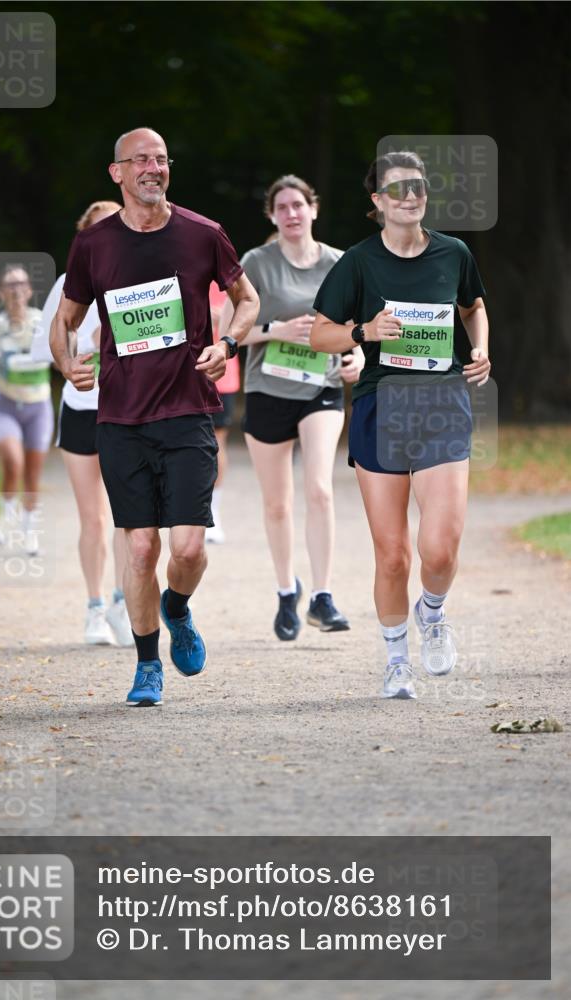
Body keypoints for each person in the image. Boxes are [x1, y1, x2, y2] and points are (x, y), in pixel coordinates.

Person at [50, 127, 259, 707]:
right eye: (140, 159)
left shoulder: (203, 234)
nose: (152, 167)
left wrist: (229, 344)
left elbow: (248, 299)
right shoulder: (94, 244)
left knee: (188, 550)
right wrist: (68, 366)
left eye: (161, 158)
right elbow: (65, 320)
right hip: (120, 418)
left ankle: (178, 608)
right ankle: (146, 666)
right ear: (116, 172)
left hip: (189, 410)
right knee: (140, 548)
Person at [311, 151, 490, 699]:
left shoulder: (453, 253)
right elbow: (321, 335)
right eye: (398, 188)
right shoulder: (359, 263)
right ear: (378, 201)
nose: (410, 195)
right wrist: (364, 331)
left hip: (441, 404)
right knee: (392, 554)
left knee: (440, 548)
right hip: (379, 408)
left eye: (418, 186)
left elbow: (473, 306)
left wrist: (481, 348)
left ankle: (431, 612)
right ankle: (395, 659)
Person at [226, 174, 363, 641]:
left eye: (298, 206)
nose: (290, 214)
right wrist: (275, 330)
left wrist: (357, 356)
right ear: (272, 216)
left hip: (320, 388)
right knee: (278, 503)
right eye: (281, 207)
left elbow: (360, 325)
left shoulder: (340, 263)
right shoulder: (256, 263)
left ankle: (323, 597)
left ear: (313, 210)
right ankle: (287, 590)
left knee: (321, 489)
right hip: (268, 389)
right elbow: (229, 329)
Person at [32, 199, 134, 646]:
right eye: (96, 229)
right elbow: (47, 344)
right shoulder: (67, 284)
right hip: (80, 409)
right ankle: (94, 608)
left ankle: (122, 602)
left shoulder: (142, 281)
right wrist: (70, 363)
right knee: (92, 518)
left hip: (129, 410)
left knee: (131, 519)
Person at [0, 266, 53, 556]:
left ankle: (29, 533)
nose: (16, 290)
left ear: (29, 290)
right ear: (1, 293)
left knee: (32, 474)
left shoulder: (43, 323)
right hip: (6, 405)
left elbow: (60, 353)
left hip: (39, 406)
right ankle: (6, 518)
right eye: (10, 285)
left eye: (21, 284)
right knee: (12, 463)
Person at [205, 280, 241, 544]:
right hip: (183, 375)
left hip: (222, 377)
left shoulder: (229, 279)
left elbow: (249, 319)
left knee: (217, 445)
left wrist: (223, 321)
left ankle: (213, 513)